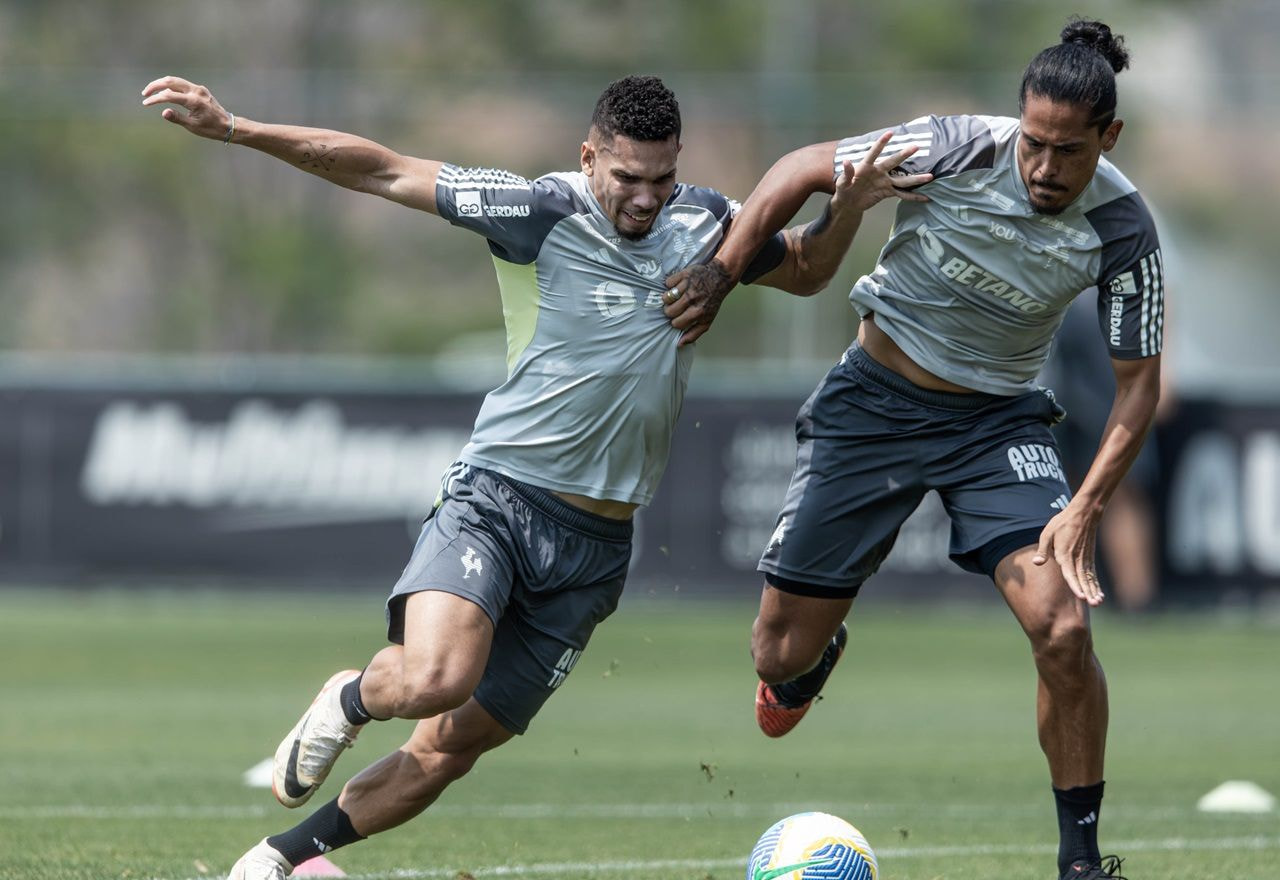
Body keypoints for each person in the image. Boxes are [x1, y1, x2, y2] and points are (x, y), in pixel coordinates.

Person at [141, 73, 930, 879]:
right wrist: (237, 127)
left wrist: (849, 211)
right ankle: (351, 699)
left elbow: (805, 271)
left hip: (597, 548)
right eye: (626, 178)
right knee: (434, 679)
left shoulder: (706, 220)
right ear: (588, 157)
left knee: (450, 750)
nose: (646, 199)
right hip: (500, 499)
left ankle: (272, 861)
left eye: (661, 179)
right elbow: (382, 169)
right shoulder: (537, 211)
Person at [664, 18, 1161, 880]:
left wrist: (1084, 506)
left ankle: (1081, 862)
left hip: (997, 426)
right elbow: (795, 171)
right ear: (1018, 122)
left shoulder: (1124, 230)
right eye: (1035, 144)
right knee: (778, 656)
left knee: (1063, 628)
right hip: (873, 406)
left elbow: (1139, 385)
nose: (1044, 169)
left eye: (1069, 152)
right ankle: (811, 662)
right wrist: (721, 268)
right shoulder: (956, 148)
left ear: (1107, 139)